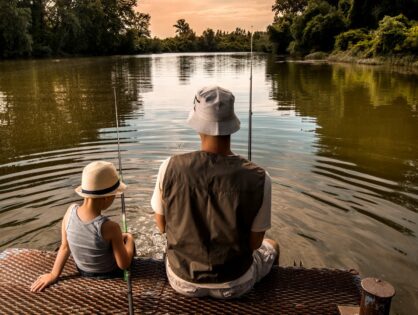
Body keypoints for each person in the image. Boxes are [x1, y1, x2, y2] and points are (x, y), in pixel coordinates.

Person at [151, 86, 279, 299]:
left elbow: (162, 226)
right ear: (231, 125)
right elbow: (255, 244)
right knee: (272, 245)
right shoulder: (260, 177)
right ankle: (270, 303)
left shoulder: (168, 167)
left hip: (181, 280)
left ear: (198, 125)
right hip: (236, 283)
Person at [30, 161, 135, 292]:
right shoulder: (111, 227)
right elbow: (123, 264)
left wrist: (53, 275)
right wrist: (129, 239)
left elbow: (64, 247)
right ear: (106, 198)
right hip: (109, 274)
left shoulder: (70, 211)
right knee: (130, 247)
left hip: (82, 270)